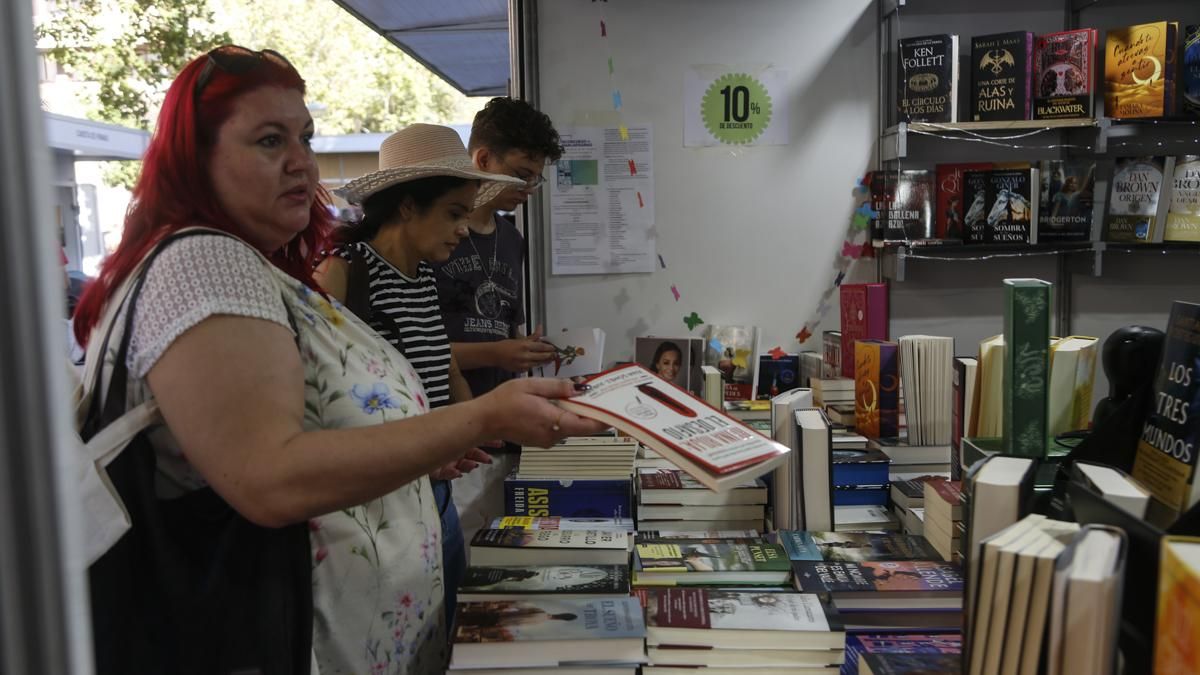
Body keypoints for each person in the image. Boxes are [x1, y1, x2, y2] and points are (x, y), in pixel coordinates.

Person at [71, 45, 605, 675]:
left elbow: (321, 427)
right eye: (269, 141)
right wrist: (482, 418)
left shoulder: (254, 268)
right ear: (197, 156)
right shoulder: (206, 262)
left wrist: (428, 445)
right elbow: (269, 476)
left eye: (305, 137)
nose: (300, 162)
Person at [312, 123, 526, 633]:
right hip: (376, 509)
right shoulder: (343, 274)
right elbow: (319, 401)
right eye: (453, 213)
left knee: (444, 629)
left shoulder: (426, 273)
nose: (463, 229)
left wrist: (470, 421)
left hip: (434, 492)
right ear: (408, 206)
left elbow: (440, 360)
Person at [433, 97, 565, 543]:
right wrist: (498, 353)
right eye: (522, 173)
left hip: (503, 433)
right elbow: (417, 346)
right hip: (448, 434)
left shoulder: (512, 239)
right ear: (484, 159)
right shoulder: (433, 236)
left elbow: (508, 328)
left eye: (536, 178)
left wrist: (527, 350)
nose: (530, 187)